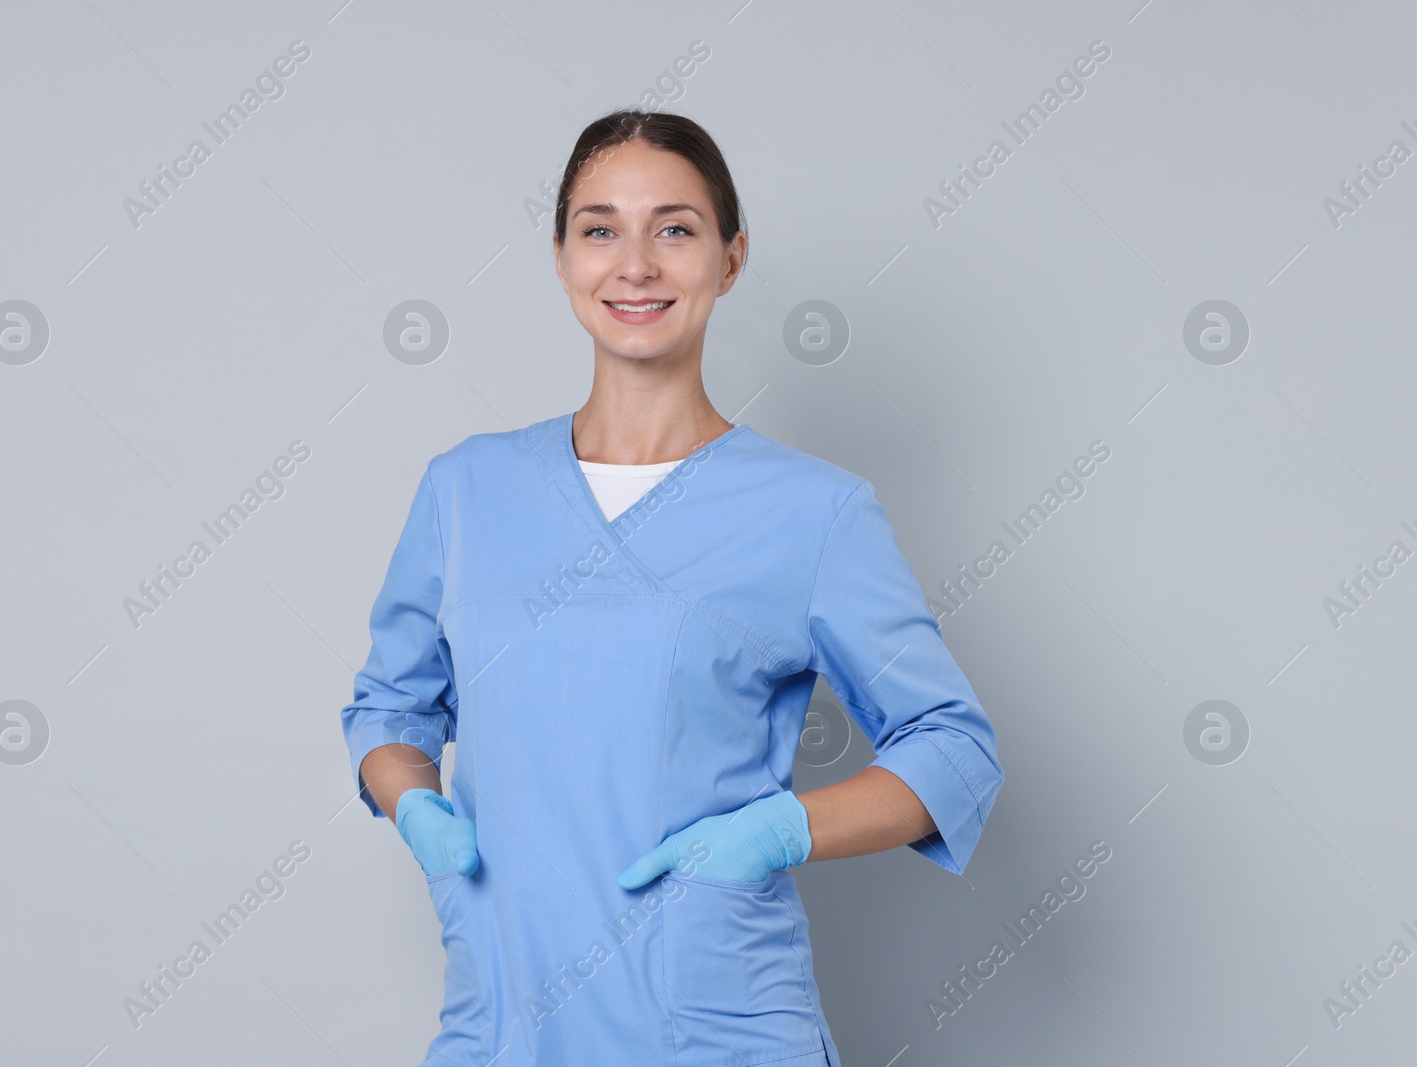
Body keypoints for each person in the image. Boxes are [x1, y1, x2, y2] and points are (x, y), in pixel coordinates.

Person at [343, 109, 1004, 1067]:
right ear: (563, 255)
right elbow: (391, 705)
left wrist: (777, 831)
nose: (636, 264)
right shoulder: (466, 490)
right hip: (508, 1024)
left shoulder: (812, 513)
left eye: (676, 229)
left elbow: (955, 750)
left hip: (716, 1025)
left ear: (730, 260)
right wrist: (412, 801)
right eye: (600, 228)